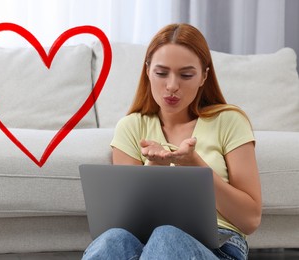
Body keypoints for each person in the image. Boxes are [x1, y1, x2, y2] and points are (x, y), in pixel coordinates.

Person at [82, 23, 262, 260]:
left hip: (220, 245)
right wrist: (155, 168)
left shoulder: (229, 121)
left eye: (186, 75)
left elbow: (250, 220)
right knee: (111, 240)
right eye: (161, 73)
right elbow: (125, 221)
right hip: (143, 242)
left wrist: (197, 166)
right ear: (147, 71)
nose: (172, 86)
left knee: (167, 236)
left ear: (203, 76)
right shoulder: (131, 126)